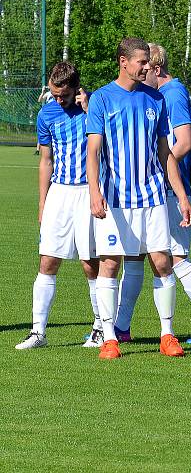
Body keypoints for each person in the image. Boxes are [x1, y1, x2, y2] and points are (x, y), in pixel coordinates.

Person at [86, 37, 191, 359]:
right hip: (117, 199)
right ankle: (109, 338)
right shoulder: (102, 99)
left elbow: (165, 153)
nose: (147, 66)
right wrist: (94, 190)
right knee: (109, 263)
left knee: (162, 261)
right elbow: (93, 151)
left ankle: (167, 334)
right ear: (123, 61)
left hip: (153, 197)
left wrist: (182, 196)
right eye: (141, 61)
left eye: (148, 61)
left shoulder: (155, 100)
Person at [113, 43, 191, 345]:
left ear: (156, 69)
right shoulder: (155, 96)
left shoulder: (171, 94)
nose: (143, 70)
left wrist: (156, 172)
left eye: (147, 65)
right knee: (134, 258)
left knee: (174, 259)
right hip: (149, 192)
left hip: (168, 192)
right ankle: (121, 327)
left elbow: (184, 142)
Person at [16, 61, 102, 350]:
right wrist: (43, 202)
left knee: (90, 263)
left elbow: (111, 145)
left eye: (62, 95)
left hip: (88, 192)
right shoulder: (47, 114)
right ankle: (38, 332)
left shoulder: (95, 107)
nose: (58, 100)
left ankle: (100, 327)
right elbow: (46, 161)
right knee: (48, 260)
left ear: (76, 88)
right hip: (59, 194)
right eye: (54, 95)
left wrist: (90, 109)